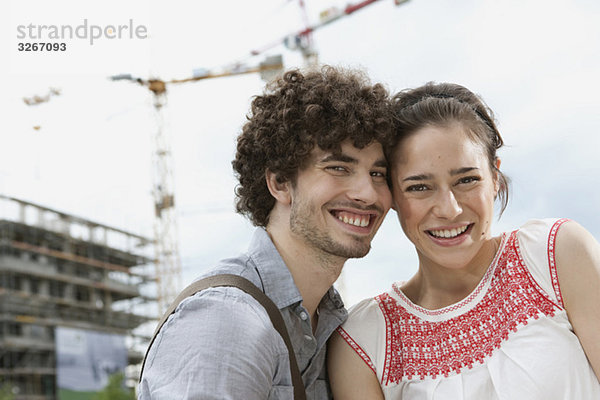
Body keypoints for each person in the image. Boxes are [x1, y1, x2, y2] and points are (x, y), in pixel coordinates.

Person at [328, 82, 600, 399]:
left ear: (495, 177)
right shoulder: (364, 340)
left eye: (467, 180)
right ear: (391, 196)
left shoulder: (556, 253)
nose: (450, 209)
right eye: (419, 187)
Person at [139, 66, 395, 399]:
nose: (368, 193)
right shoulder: (227, 319)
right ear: (279, 182)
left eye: (378, 173)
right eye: (338, 168)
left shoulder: (333, 324)